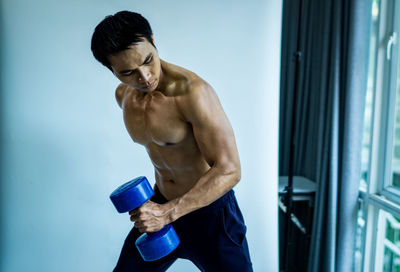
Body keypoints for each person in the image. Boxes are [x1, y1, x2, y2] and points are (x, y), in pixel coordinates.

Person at [91, 11, 253, 272]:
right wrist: (161, 211)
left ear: (153, 40)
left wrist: (167, 213)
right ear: (112, 70)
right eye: (129, 72)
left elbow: (230, 169)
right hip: (162, 207)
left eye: (148, 60)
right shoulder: (124, 96)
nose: (144, 77)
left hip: (210, 215)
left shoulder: (193, 93)